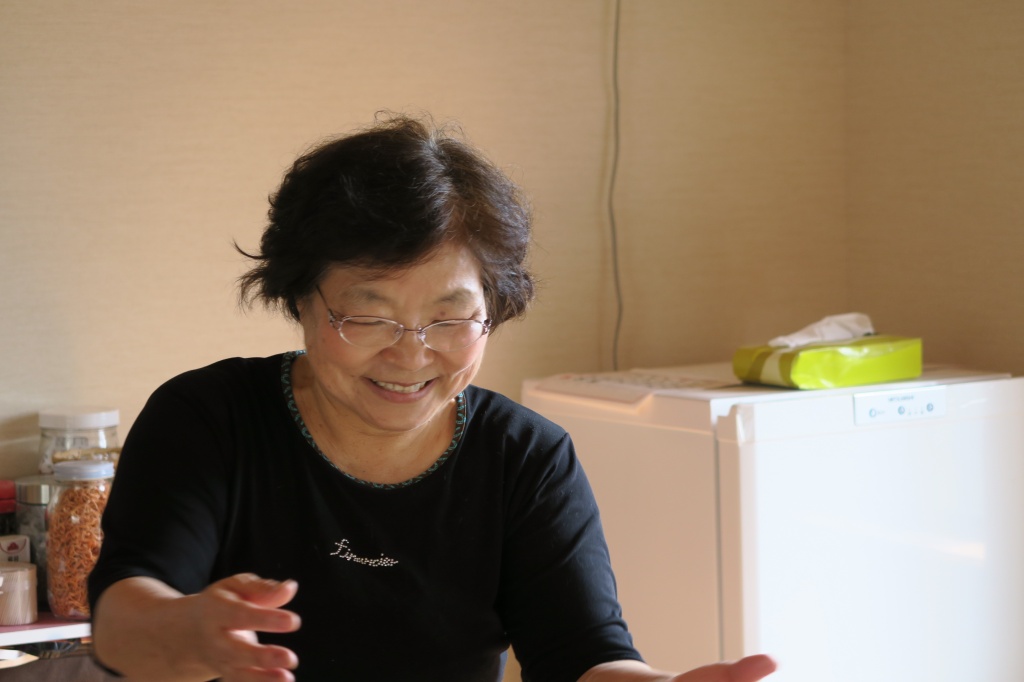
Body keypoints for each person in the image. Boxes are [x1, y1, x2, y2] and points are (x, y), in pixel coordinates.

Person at [87, 113, 777, 682]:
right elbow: (122, 619)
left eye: (451, 318)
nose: (412, 354)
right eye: (369, 316)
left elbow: (583, 657)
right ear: (299, 299)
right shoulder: (210, 418)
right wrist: (190, 634)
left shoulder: (524, 458)